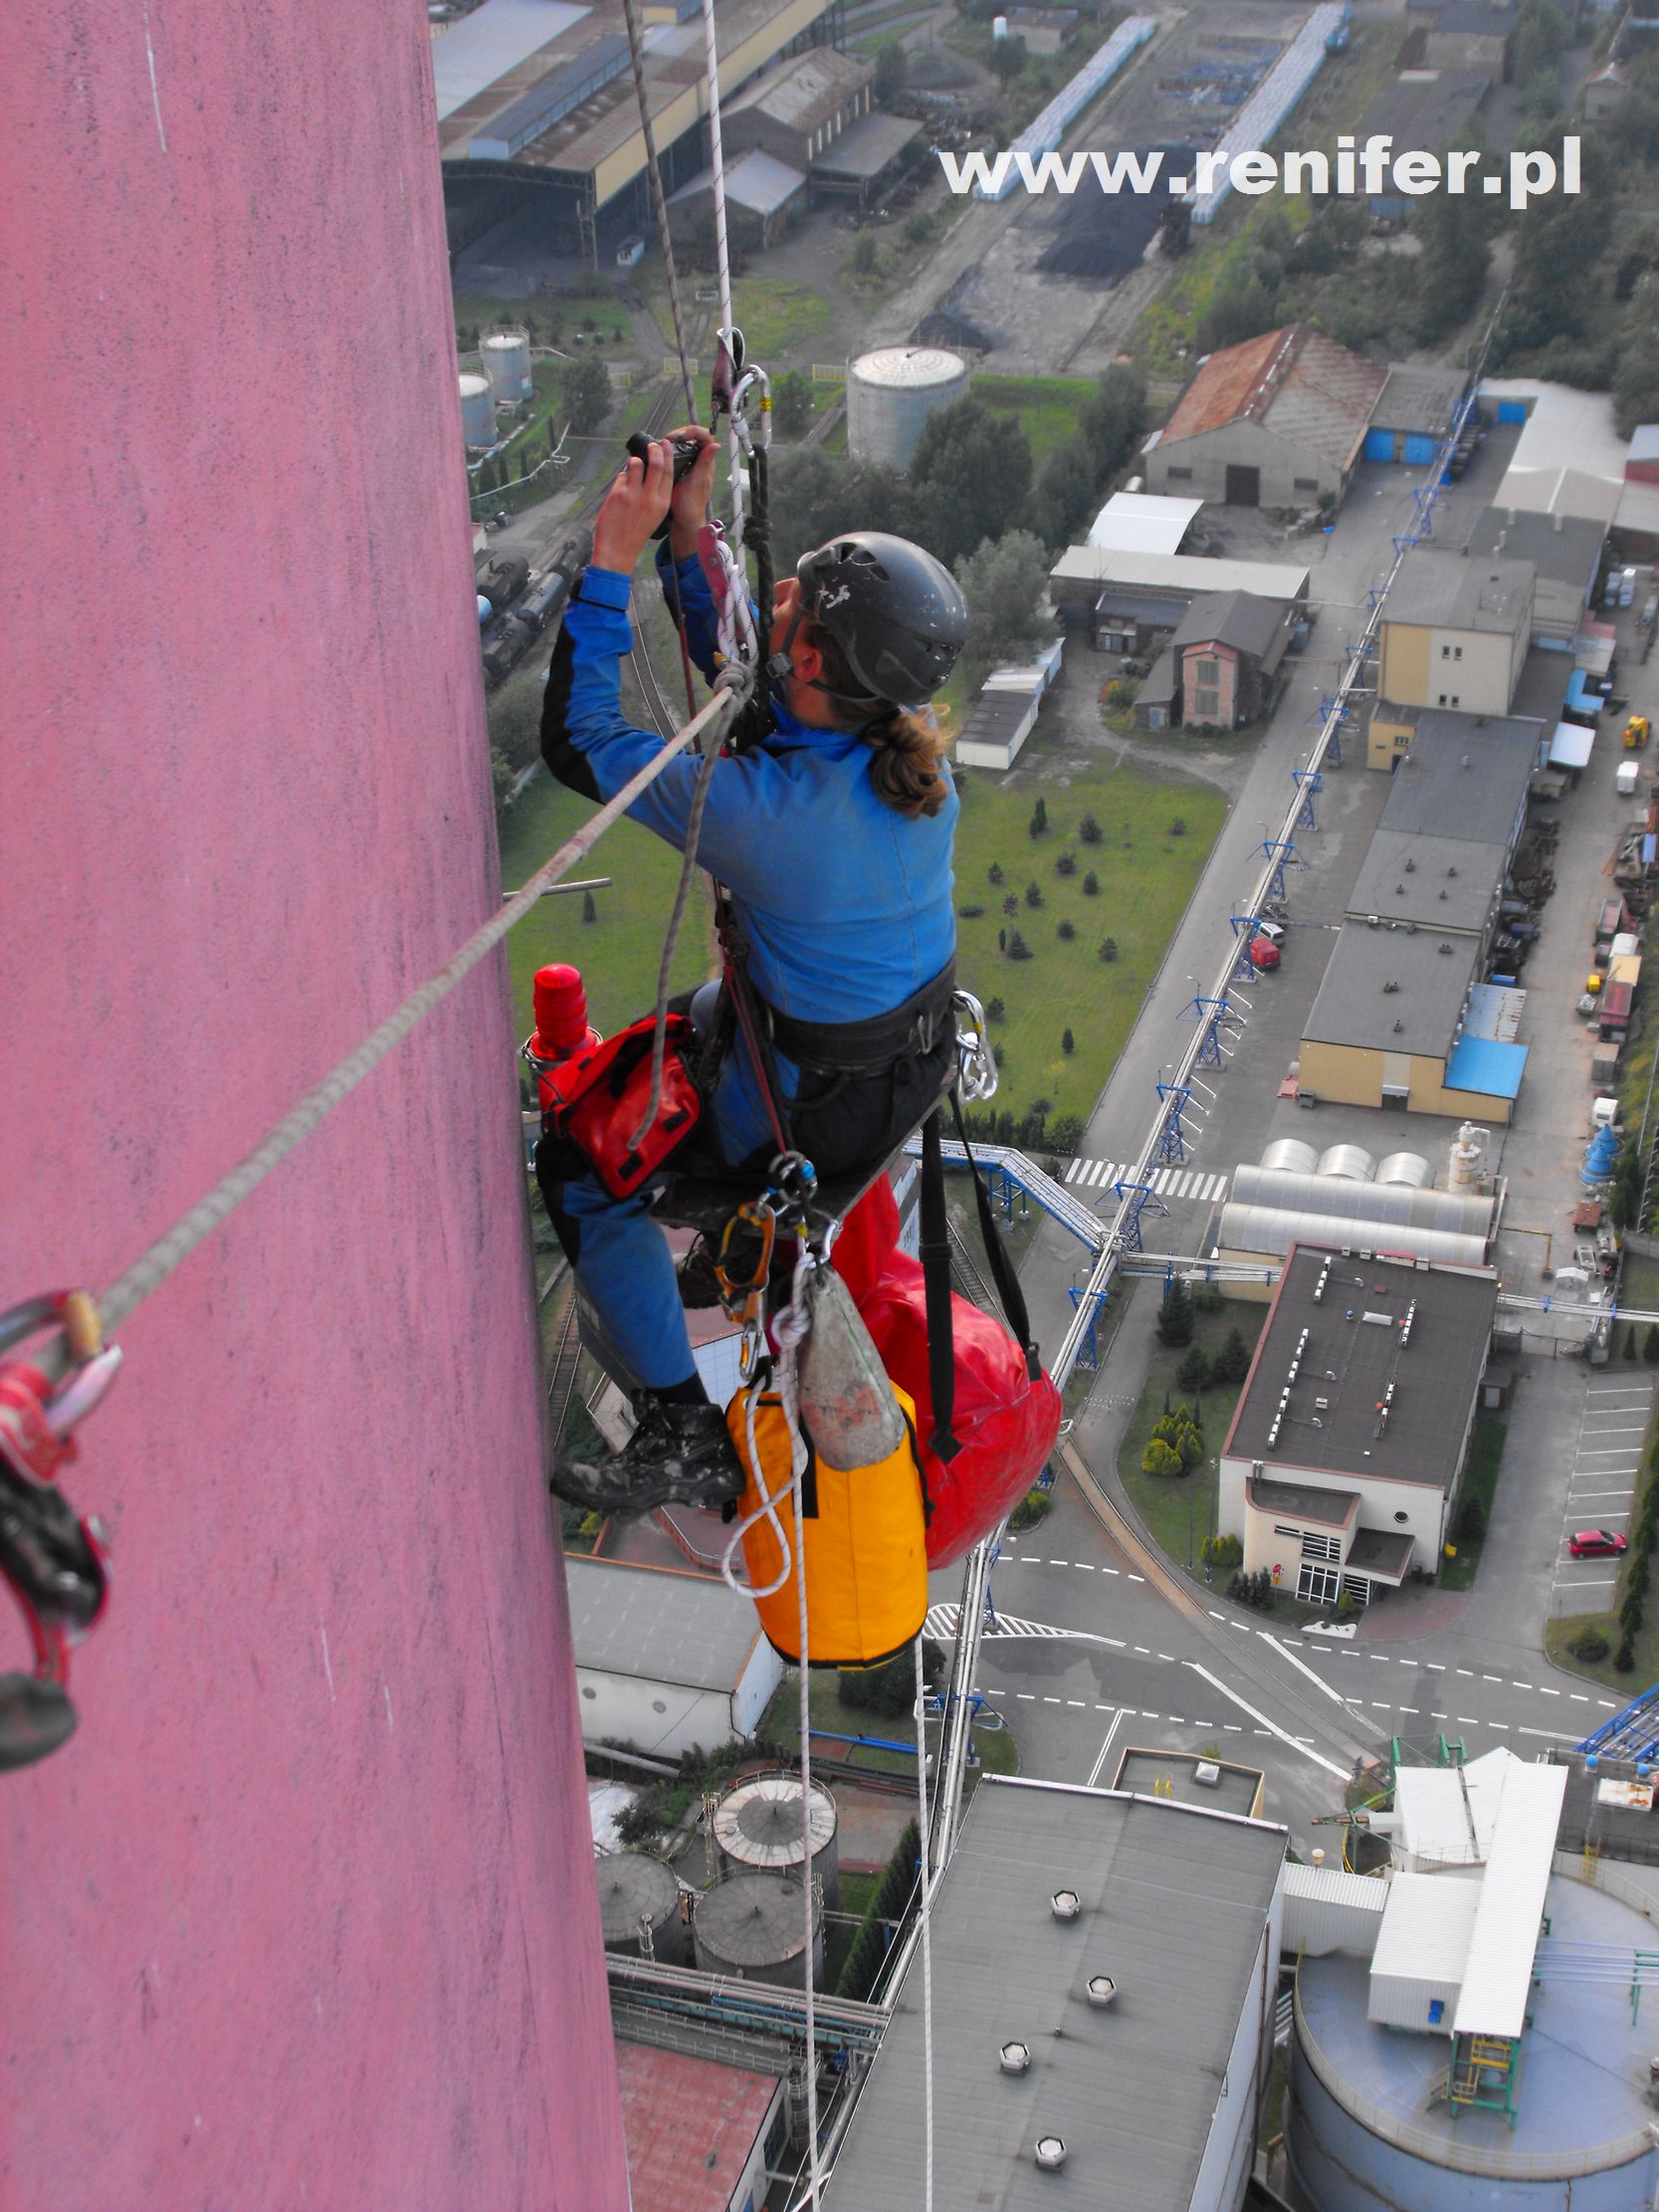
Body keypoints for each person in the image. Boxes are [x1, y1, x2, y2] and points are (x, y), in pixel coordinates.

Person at [538, 429, 968, 1515]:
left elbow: (578, 740)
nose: (772, 596)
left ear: (817, 660)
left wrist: (610, 558)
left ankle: (682, 1430)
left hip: (807, 1106)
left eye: (794, 604)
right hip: (886, 1068)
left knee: (583, 1160)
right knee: (672, 1038)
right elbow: (755, 683)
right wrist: (686, 534)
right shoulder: (902, 760)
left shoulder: (766, 818)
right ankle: (732, 1228)